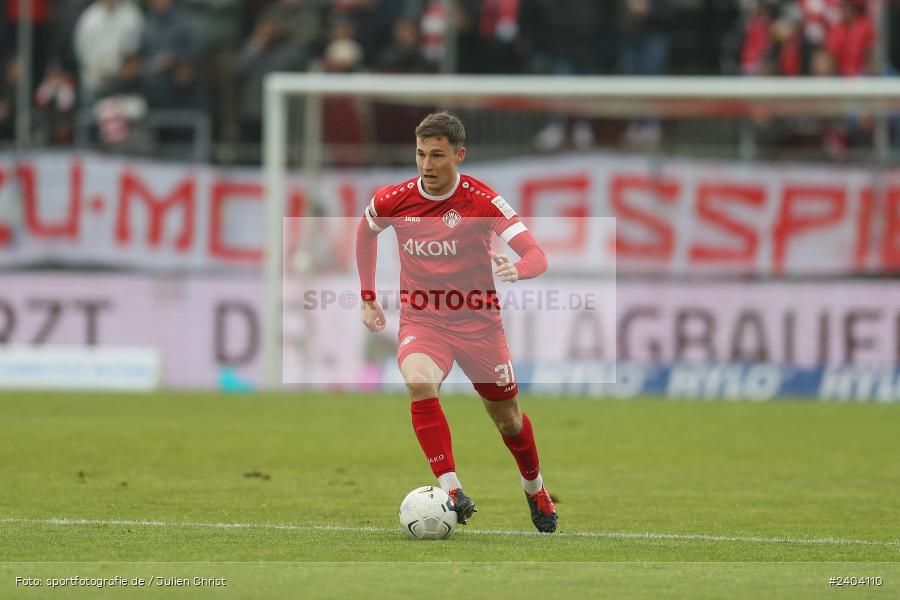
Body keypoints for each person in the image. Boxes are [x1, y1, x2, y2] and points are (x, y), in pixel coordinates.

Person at [355, 112, 558, 533]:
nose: (426, 165)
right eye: (420, 154)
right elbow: (366, 230)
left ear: (459, 155)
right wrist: (368, 296)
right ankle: (452, 491)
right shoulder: (395, 199)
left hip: (479, 327)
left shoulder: (483, 202)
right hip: (424, 320)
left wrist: (518, 269)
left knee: (509, 421)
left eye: (437, 155)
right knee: (419, 381)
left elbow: (537, 255)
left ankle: (534, 487)